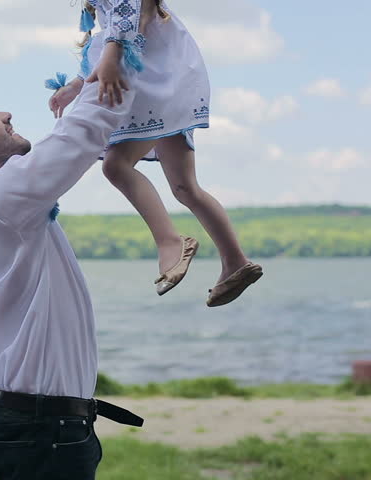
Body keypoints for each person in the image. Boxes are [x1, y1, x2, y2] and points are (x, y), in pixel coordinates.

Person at [0, 63, 146, 478]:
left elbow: (67, 148)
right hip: (42, 429)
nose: (4, 114)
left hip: (45, 426)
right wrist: (116, 57)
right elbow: (78, 137)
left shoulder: (0, 208)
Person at [47, 0, 262, 305]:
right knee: (186, 187)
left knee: (116, 166)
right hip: (168, 80)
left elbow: (128, 15)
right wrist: (76, 85)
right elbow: (108, 37)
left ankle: (170, 241)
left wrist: (112, 54)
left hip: (154, 82)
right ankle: (236, 260)